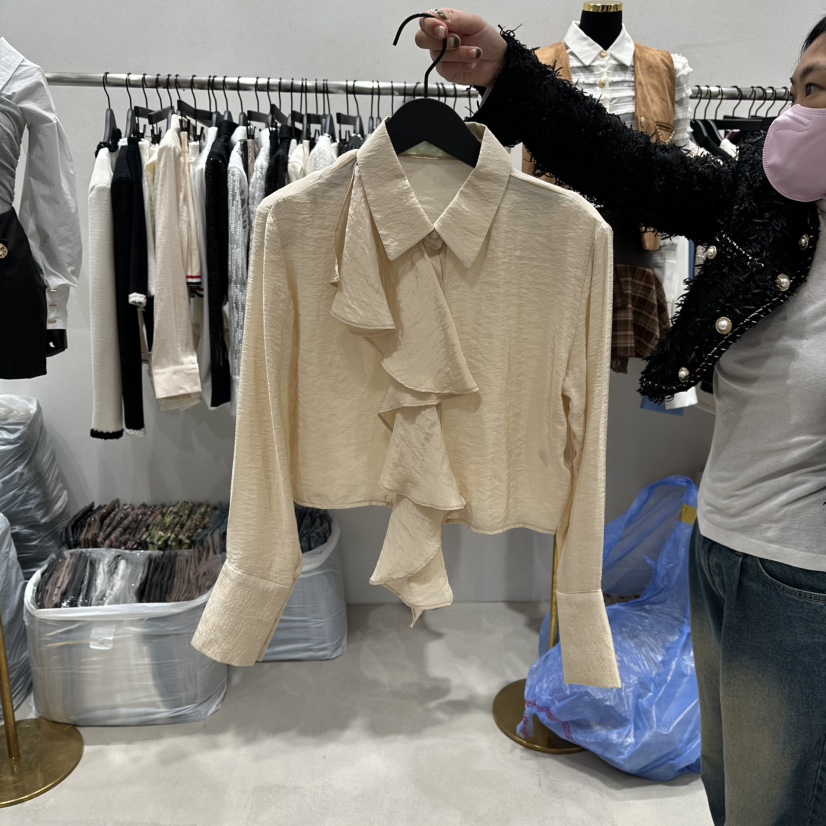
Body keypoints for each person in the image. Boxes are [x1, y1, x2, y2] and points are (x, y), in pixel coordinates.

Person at [415, 9, 826, 826]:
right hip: (723, 543)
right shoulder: (770, 201)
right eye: (804, 88)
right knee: (727, 789)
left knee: (778, 808)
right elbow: (633, 168)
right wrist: (506, 70)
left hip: (804, 579)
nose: (805, 112)